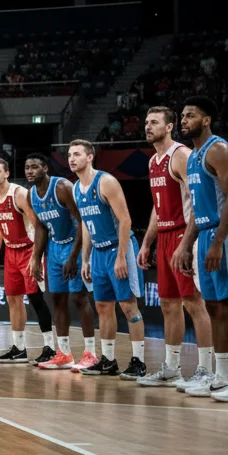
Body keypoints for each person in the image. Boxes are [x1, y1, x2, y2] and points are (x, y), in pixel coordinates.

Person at [174, 97, 228, 402]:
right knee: (214, 306)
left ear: (207, 119)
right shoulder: (195, 156)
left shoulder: (219, 150)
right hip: (207, 232)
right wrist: (187, 245)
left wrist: (218, 243)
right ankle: (222, 377)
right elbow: (199, 210)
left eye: (191, 116)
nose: (184, 120)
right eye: (182, 116)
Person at [136, 107, 215, 390]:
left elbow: (199, 201)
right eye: (146, 122)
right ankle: (172, 368)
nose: (148, 126)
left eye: (154, 122)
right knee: (168, 304)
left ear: (169, 127)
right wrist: (147, 242)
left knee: (194, 302)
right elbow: (158, 209)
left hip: (185, 235)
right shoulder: (153, 161)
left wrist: (187, 243)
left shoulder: (180, 155)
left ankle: (206, 369)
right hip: (165, 237)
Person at [68, 139, 148, 379]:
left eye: (77, 154)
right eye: (69, 155)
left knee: (127, 305)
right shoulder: (75, 188)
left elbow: (125, 220)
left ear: (90, 157)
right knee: (103, 306)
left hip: (118, 248)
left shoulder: (106, 182)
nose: (72, 158)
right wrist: (85, 259)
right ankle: (109, 360)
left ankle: (138, 361)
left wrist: (122, 256)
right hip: (98, 253)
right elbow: (86, 225)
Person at [25, 154, 99, 372]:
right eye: (27, 168)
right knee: (57, 299)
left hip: (73, 245)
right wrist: (36, 257)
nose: (30, 171)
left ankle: (91, 354)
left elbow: (81, 221)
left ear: (45, 168)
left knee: (79, 298)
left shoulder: (62, 187)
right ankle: (64, 353)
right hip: (54, 248)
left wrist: (74, 256)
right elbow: (40, 226)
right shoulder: (31, 195)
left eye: (34, 167)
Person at [0, 158, 54, 364]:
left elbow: (39, 225)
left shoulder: (19, 194)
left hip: (29, 249)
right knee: (13, 299)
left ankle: (50, 347)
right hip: (10, 252)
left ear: (6, 173)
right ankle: (19, 348)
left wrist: (38, 256)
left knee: (35, 298)